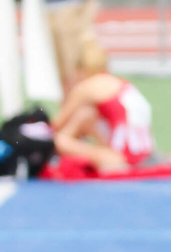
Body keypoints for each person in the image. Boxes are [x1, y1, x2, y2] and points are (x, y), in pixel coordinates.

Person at [51, 42, 154, 173]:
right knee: (85, 115)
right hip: (144, 152)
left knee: (56, 140)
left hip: (122, 157)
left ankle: (53, 158)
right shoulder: (119, 83)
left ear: (80, 70)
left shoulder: (86, 86)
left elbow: (55, 125)